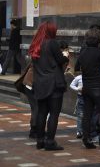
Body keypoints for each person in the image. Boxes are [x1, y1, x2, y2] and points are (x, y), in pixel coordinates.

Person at [28, 21, 69, 151]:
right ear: (51, 31)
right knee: (54, 113)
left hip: (40, 83)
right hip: (54, 83)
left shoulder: (35, 44)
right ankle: (50, 141)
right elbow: (60, 60)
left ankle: (40, 141)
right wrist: (65, 56)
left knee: (41, 113)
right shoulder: (51, 43)